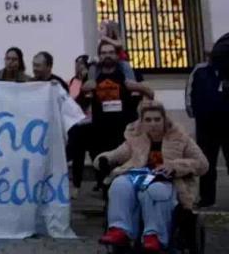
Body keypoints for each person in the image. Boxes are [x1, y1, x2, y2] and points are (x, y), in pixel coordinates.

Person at [95, 100, 208, 251]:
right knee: (119, 184)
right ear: (141, 122)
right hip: (140, 178)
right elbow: (116, 154)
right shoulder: (136, 139)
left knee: (154, 190)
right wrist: (104, 159)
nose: (153, 124)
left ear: (164, 119)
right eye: (148, 120)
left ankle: (154, 235)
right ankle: (119, 230)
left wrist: (175, 166)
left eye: (157, 119)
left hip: (169, 181)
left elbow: (202, 164)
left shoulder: (181, 138)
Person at [83, 41, 154, 187]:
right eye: (103, 53)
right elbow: (80, 102)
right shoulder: (93, 76)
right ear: (99, 56)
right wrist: (84, 89)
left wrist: (138, 87)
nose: (107, 56)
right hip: (100, 131)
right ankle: (106, 196)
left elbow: (150, 94)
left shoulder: (130, 74)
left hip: (125, 131)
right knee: (103, 171)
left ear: (117, 55)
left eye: (111, 52)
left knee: (126, 172)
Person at [185, 50, 229, 207]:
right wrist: (192, 111)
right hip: (205, 124)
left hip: (227, 122)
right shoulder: (200, 70)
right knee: (206, 161)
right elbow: (189, 91)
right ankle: (207, 198)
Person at [67, 54, 96, 197]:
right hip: (77, 124)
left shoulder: (92, 81)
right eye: (77, 63)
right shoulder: (73, 81)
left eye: (81, 64)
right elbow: (70, 101)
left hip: (90, 123)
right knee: (77, 156)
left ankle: (100, 182)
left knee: (94, 153)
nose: (78, 67)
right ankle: (76, 186)